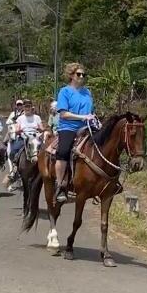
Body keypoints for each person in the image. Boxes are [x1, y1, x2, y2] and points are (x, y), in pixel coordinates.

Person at [54, 63, 96, 203]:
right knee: (64, 151)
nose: (82, 77)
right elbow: (64, 114)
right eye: (79, 74)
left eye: (84, 74)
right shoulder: (64, 92)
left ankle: (103, 181)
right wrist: (82, 117)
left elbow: (90, 111)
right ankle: (60, 185)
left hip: (87, 126)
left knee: (105, 144)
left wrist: (92, 118)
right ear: (71, 75)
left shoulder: (87, 92)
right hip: (69, 127)